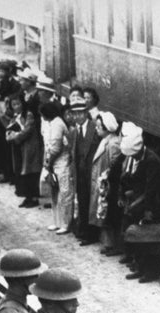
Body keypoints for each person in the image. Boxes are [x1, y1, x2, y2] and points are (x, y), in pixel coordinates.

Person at [114, 125, 160, 283]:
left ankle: (151, 272)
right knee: (139, 237)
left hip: (154, 205)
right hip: (142, 202)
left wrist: (140, 207)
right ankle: (140, 268)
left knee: (151, 238)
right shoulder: (141, 157)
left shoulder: (152, 161)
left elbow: (151, 190)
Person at [89, 111, 122, 256]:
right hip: (101, 184)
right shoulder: (105, 140)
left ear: (107, 127)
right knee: (103, 213)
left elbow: (114, 166)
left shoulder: (113, 143)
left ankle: (112, 244)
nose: (96, 129)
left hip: (106, 185)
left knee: (108, 214)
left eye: (98, 127)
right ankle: (108, 243)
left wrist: (105, 181)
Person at [69, 95, 99, 244]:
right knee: (82, 202)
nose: (78, 116)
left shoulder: (95, 128)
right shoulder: (74, 132)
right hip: (80, 174)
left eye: (80, 113)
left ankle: (91, 234)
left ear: (86, 113)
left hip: (91, 173)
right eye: (75, 113)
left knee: (92, 203)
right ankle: (84, 231)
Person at [5, 91, 43, 208]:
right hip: (20, 148)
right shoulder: (15, 117)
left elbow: (28, 130)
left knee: (31, 172)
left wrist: (15, 136)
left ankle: (34, 198)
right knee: (23, 172)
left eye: (18, 104)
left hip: (30, 147)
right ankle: (27, 196)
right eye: (14, 105)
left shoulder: (28, 115)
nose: (16, 107)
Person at [41, 100, 73, 235]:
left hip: (62, 163)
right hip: (53, 163)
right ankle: (57, 222)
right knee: (55, 193)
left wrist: (47, 164)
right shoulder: (51, 123)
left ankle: (66, 223)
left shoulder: (57, 123)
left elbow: (55, 148)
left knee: (65, 193)